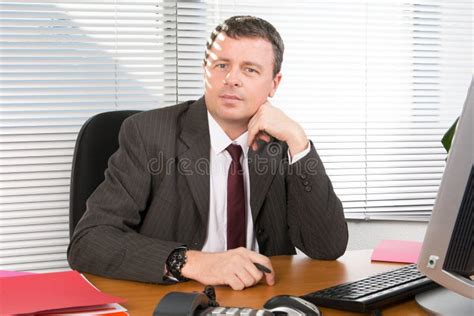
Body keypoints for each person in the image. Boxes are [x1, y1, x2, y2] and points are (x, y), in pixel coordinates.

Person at [67, 16, 348, 291]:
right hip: (179, 298)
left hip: (263, 296)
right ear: (205, 70)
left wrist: (300, 142)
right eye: (221, 65)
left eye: (250, 69)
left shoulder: (282, 142)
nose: (231, 79)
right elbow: (89, 241)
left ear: (274, 83)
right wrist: (193, 262)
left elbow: (327, 246)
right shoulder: (147, 133)